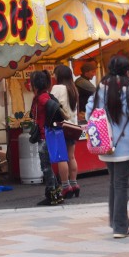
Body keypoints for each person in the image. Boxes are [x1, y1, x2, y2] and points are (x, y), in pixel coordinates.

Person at [85, 55, 129, 238]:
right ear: (126, 70)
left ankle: (116, 222)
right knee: (121, 184)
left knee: (114, 183)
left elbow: (89, 112)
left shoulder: (100, 89)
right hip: (124, 144)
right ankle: (120, 226)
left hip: (105, 143)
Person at [31, 71, 64, 206]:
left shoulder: (41, 99)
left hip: (44, 137)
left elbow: (50, 107)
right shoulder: (46, 96)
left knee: (46, 167)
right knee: (47, 166)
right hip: (49, 135)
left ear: (35, 85)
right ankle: (57, 194)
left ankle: (52, 195)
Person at [51, 65, 81, 199]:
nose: (53, 76)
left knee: (61, 157)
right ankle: (74, 184)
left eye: (55, 74)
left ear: (59, 75)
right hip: (72, 127)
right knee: (71, 156)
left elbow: (52, 106)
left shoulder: (57, 88)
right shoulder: (73, 88)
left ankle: (65, 186)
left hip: (60, 127)